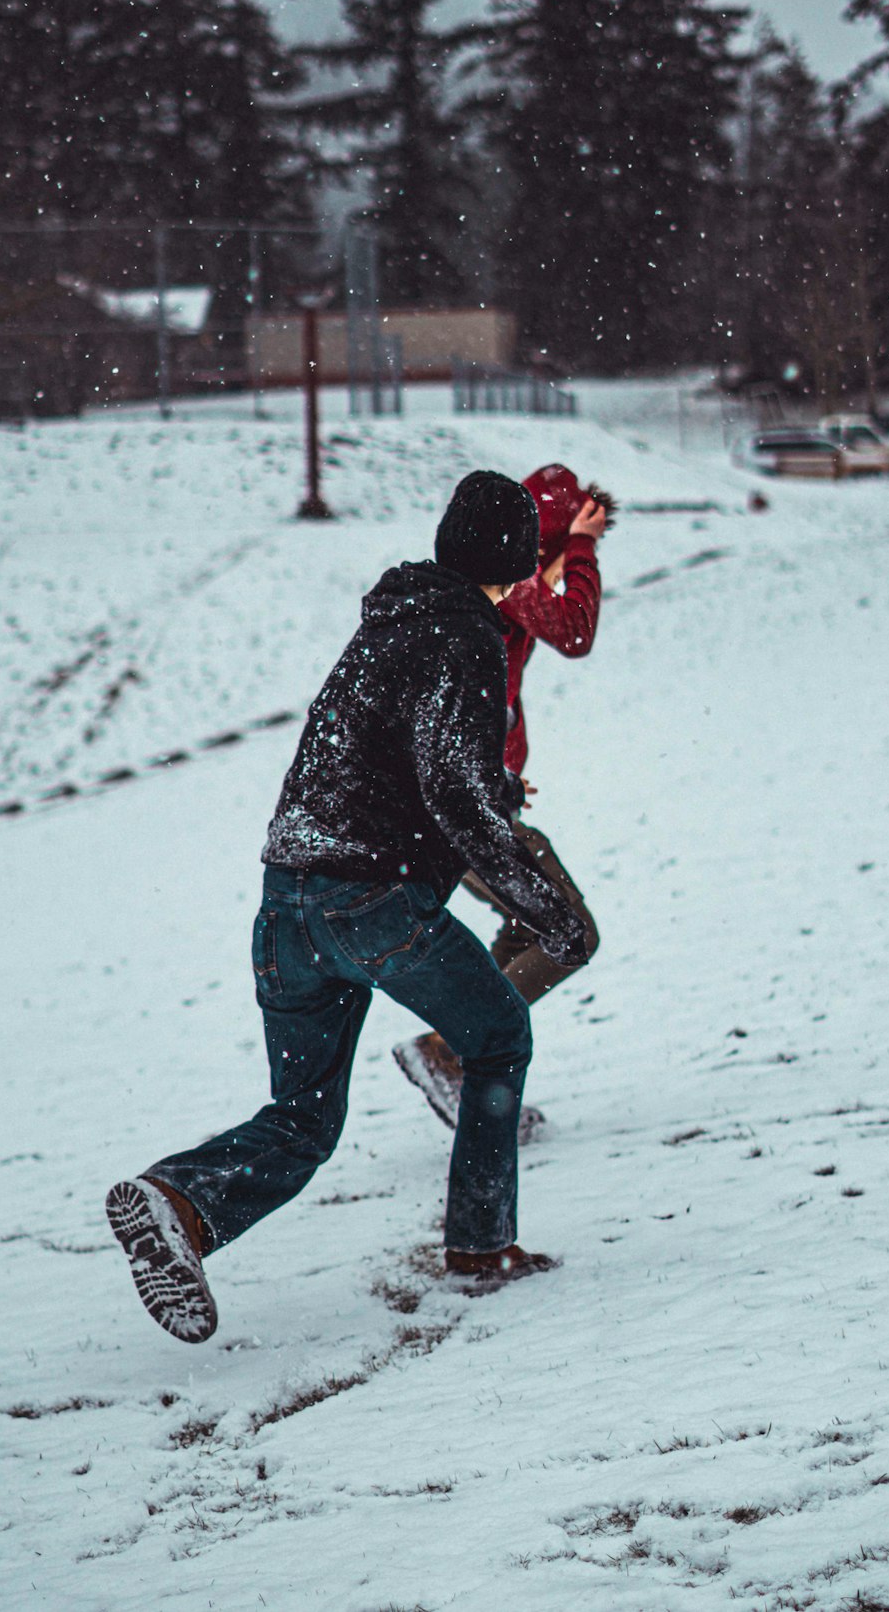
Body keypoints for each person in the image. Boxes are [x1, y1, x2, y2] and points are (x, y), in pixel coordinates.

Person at [106, 470, 592, 1344]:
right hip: (373, 903)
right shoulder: (468, 636)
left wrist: (494, 791)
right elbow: (453, 788)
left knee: (302, 1119)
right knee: (498, 1039)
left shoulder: (391, 620)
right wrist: (541, 905)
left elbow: (393, 757)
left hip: (285, 902)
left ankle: (178, 1201)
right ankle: (482, 1250)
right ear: (514, 556)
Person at [393, 464, 615, 1135]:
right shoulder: (509, 580)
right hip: (458, 806)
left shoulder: (491, 579)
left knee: (532, 927)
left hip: (464, 794)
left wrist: (506, 768)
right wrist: (581, 550)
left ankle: (462, 1062)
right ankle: (450, 1050)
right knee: (568, 931)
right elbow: (573, 632)